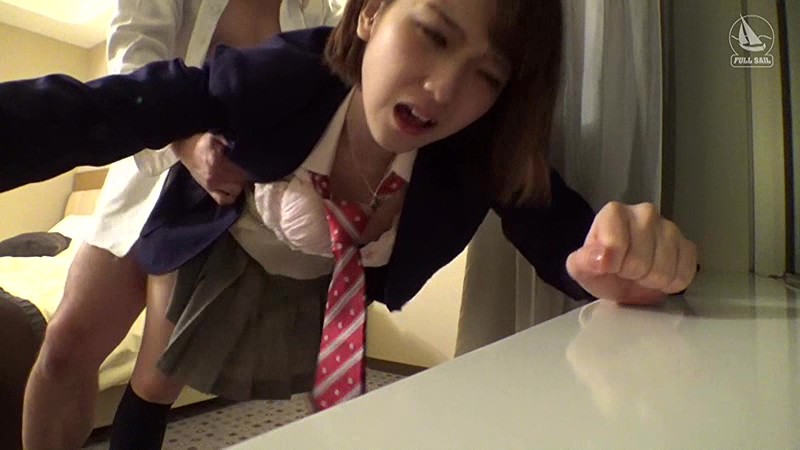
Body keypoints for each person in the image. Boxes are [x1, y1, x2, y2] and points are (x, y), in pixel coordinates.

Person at [0, 0, 698, 445]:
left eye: (488, 74)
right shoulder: (277, 75)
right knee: (153, 370)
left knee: (193, 377)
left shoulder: (475, 152)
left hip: (317, 273)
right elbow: (107, 106)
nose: (444, 88)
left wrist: (622, 257)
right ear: (369, 15)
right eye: (432, 34)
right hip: (212, 215)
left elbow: (562, 232)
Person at [16, 1, 343, 449]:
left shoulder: (321, 11)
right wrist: (185, 143)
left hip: (229, 204)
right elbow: (133, 53)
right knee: (64, 346)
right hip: (149, 173)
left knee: (156, 382)